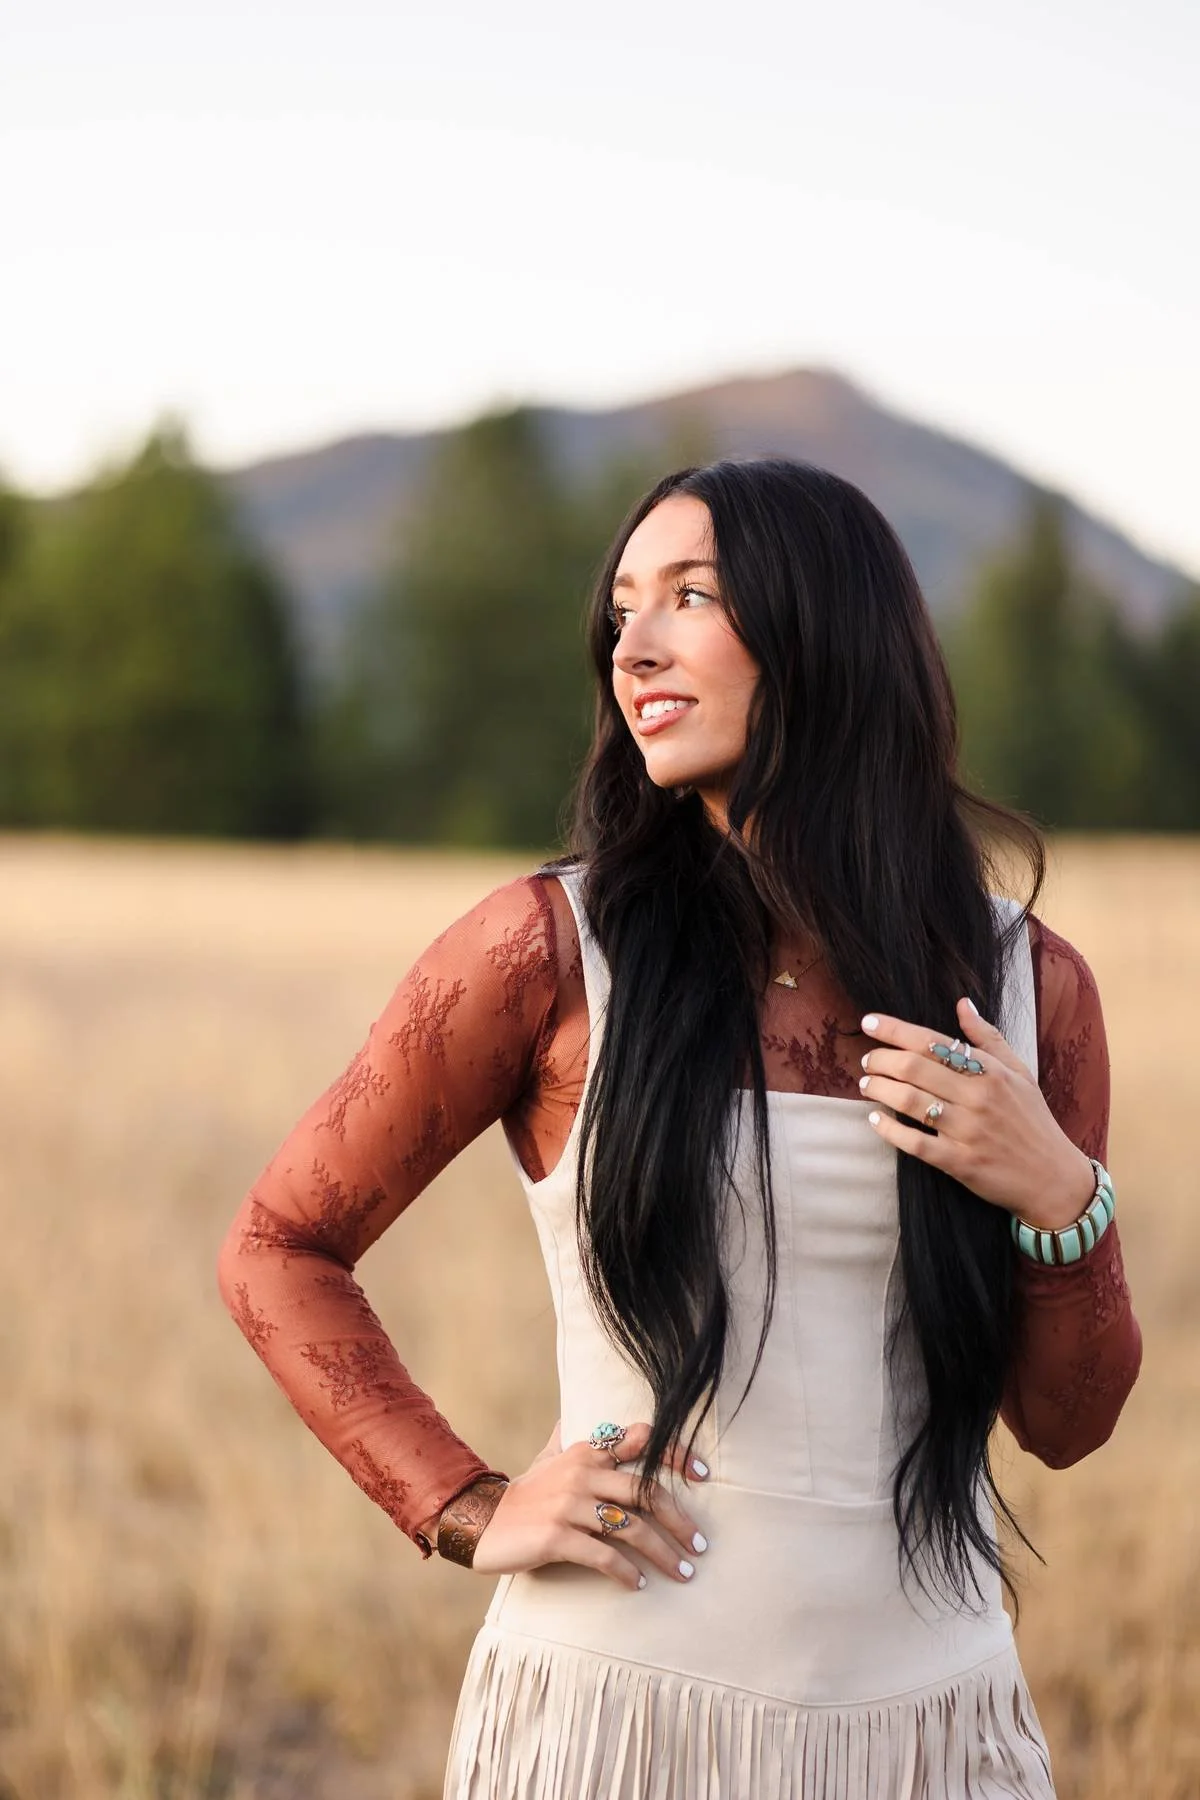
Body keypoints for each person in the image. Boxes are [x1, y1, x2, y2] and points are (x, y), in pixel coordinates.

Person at [218, 459, 1142, 1799]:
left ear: (822, 630)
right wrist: (466, 1505)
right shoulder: (546, 950)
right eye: (620, 612)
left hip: (937, 1722)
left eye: (689, 598)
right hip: (617, 1715)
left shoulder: (1024, 986)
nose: (631, 647)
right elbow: (278, 1245)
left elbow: (1067, 1424)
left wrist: (1062, 1193)